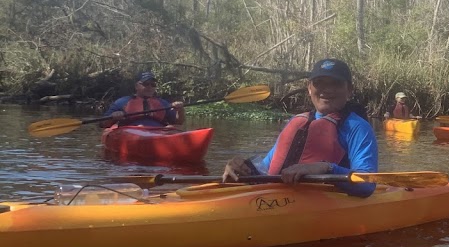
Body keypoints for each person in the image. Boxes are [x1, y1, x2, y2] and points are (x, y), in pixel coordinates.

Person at [223, 58, 379, 195]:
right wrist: (242, 168)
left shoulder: (358, 128)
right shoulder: (297, 123)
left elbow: (367, 184)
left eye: (336, 83)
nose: (327, 90)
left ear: (349, 90)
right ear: (309, 88)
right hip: (278, 200)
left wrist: (327, 168)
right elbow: (266, 170)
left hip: (325, 206)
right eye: (319, 83)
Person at [102, 71, 185, 128]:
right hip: (131, 132)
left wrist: (180, 110)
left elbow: (179, 122)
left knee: (170, 127)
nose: (149, 87)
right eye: (146, 84)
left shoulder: (163, 103)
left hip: (158, 133)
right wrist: (113, 117)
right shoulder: (122, 102)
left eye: (153, 84)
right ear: (136, 86)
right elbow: (103, 124)